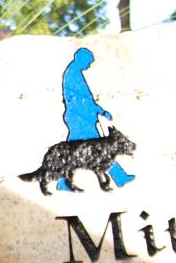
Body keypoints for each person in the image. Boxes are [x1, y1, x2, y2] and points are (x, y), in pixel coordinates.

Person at [57, 47, 134, 190]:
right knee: (100, 149)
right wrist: (98, 112)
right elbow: (81, 99)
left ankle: (62, 182)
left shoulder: (75, 72)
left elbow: (86, 99)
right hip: (79, 119)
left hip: (80, 118)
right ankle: (119, 177)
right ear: (81, 59)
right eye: (88, 62)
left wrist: (100, 111)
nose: (89, 65)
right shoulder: (73, 74)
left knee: (75, 151)